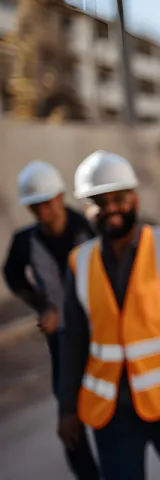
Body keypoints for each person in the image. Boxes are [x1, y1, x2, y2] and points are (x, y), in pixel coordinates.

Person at [58, 150, 160, 480]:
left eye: (119, 198)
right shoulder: (79, 263)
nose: (111, 208)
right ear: (87, 208)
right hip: (113, 414)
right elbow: (73, 340)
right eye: (100, 200)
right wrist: (67, 407)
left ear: (134, 199)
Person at [3, 160, 100, 480]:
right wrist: (43, 306)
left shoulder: (89, 228)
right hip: (61, 341)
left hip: (101, 336)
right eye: (34, 208)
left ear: (61, 196)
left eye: (46, 203)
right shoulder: (25, 242)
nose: (42, 213)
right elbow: (13, 275)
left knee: (107, 411)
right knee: (70, 421)